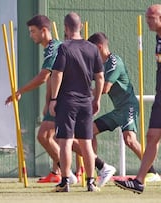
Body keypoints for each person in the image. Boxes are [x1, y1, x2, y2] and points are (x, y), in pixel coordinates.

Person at [4, 14, 77, 184]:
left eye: (33, 31)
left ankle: (82, 169)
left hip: (65, 98)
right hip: (59, 99)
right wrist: (48, 101)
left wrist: (19, 91)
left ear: (44, 31)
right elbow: (52, 79)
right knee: (56, 137)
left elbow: (44, 77)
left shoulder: (53, 47)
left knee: (44, 136)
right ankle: (58, 171)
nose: (31, 35)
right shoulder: (52, 48)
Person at [88, 32, 159, 184]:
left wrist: (85, 93)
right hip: (118, 110)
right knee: (90, 130)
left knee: (129, 140)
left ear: (99, 47)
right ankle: (97, 169)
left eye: (91, 49)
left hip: (128, 106)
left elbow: (105, 88)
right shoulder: (99, 64)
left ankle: (151, 172)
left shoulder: (114, 62)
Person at [49, 12, 104, 192]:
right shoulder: (93, 48)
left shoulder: (64, 48)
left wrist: (53, 98)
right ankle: (90, 182)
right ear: (80, 26)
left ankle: (65, 180)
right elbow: (100, 77)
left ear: (65, 28)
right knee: (86, 142)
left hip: (67, 100)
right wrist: (97, 99)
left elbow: (57, 74)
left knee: (65, 141)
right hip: (85, 100)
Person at [114, 4, 161, 194]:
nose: (148, 20)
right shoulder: (158, 37)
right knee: (151, 136)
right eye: (147, 17)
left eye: (151, 17)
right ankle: (139, 181)